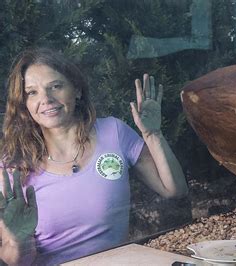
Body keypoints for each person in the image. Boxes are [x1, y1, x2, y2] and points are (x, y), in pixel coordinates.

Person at [0, 48, 189, 265]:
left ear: (77, 89)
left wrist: (153, 134)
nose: (46, 99)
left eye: (56, 86)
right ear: (24, 103)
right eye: (32, 92)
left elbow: (174, 190)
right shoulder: (12, 166)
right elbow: (13, 261)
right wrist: (17, 242)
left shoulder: (113, 132)